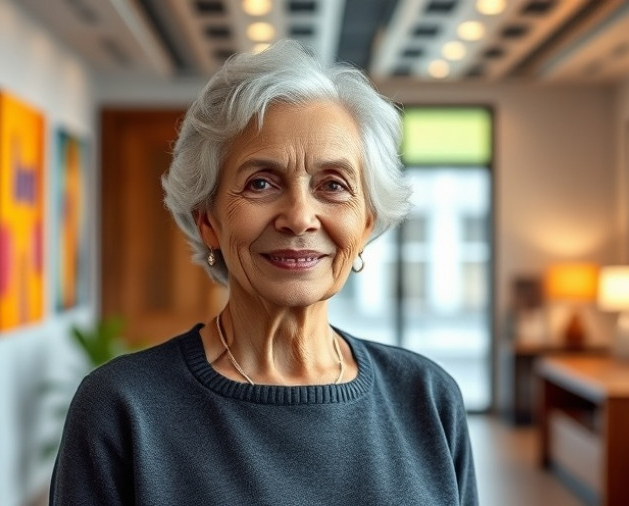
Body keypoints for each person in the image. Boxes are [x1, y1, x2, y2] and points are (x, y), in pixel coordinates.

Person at [50, 40, 478, 505]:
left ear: (366, 222)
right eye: (261, 182)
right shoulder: (121, 409)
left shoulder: (428, 398)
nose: (299, 217)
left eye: (333, 185)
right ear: (208, 220)